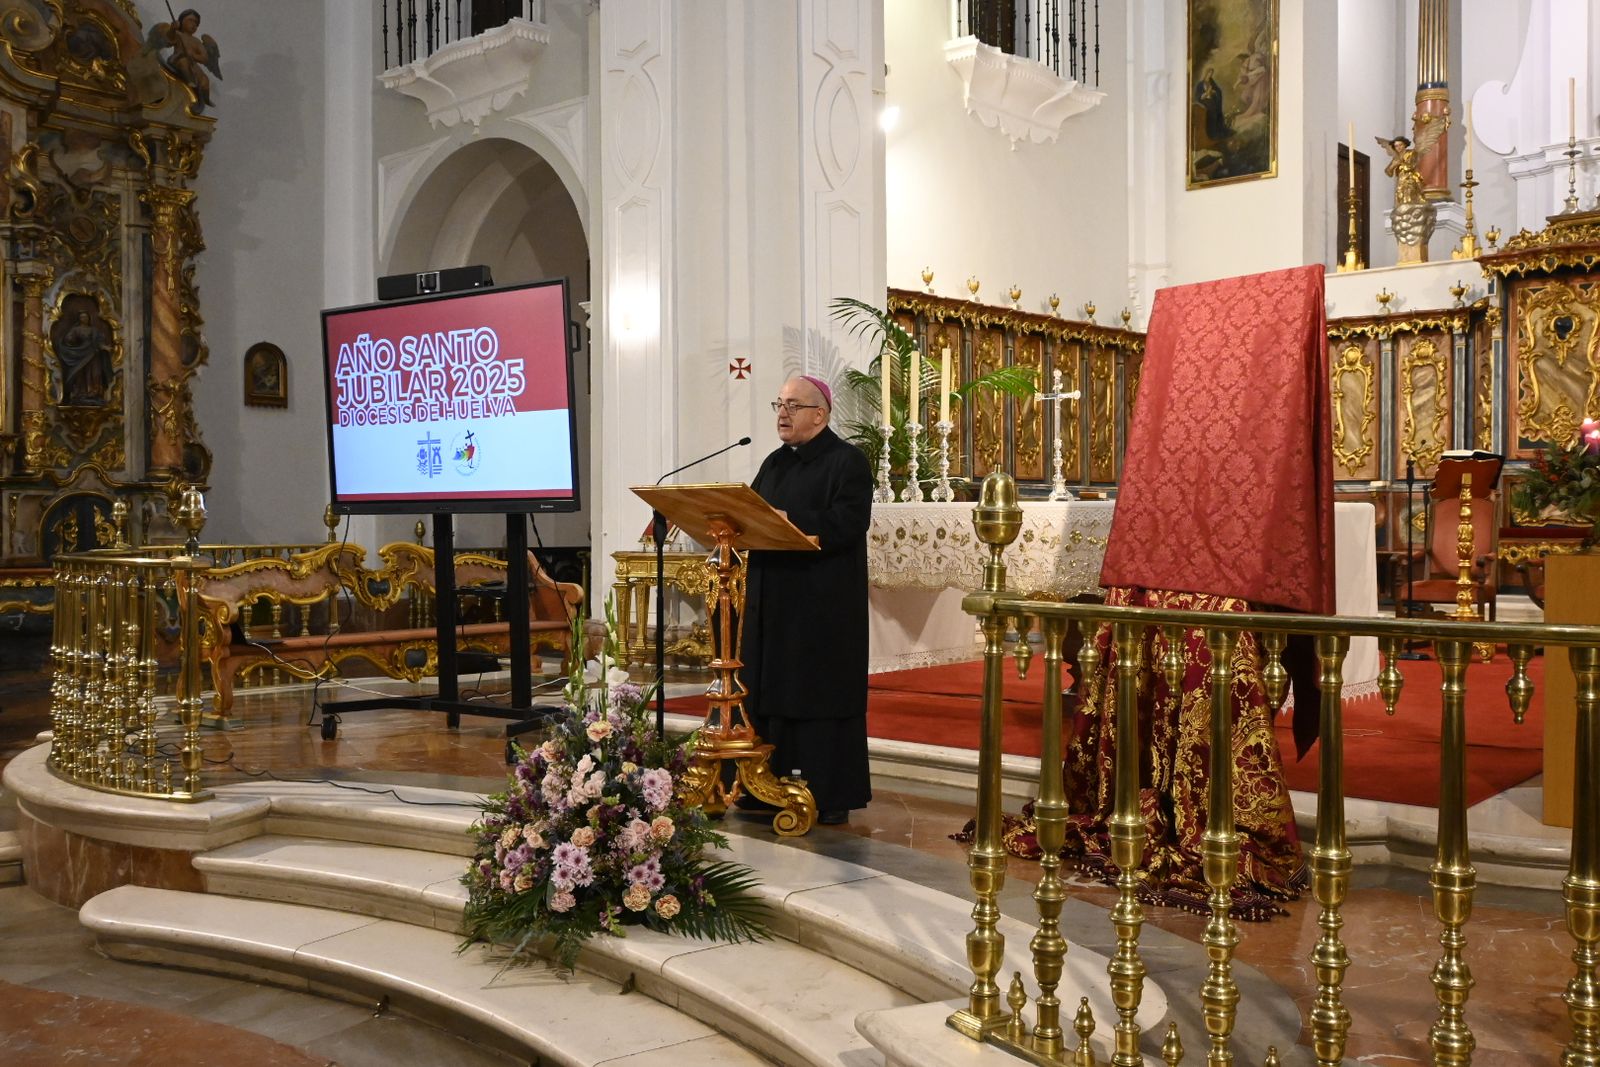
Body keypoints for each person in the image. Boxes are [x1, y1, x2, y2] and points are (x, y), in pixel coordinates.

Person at [739, 374, 874, 825]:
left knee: (814, 694)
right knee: (770, 689)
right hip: (770, 602)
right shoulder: (774, 464)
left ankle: (824, 791)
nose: (783, 412)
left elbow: (849, 523)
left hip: (821, 608)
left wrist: (789, 518)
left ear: (820, 414)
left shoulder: (847, 462)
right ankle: (763, 787)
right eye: (779, 403)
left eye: (794, 405)